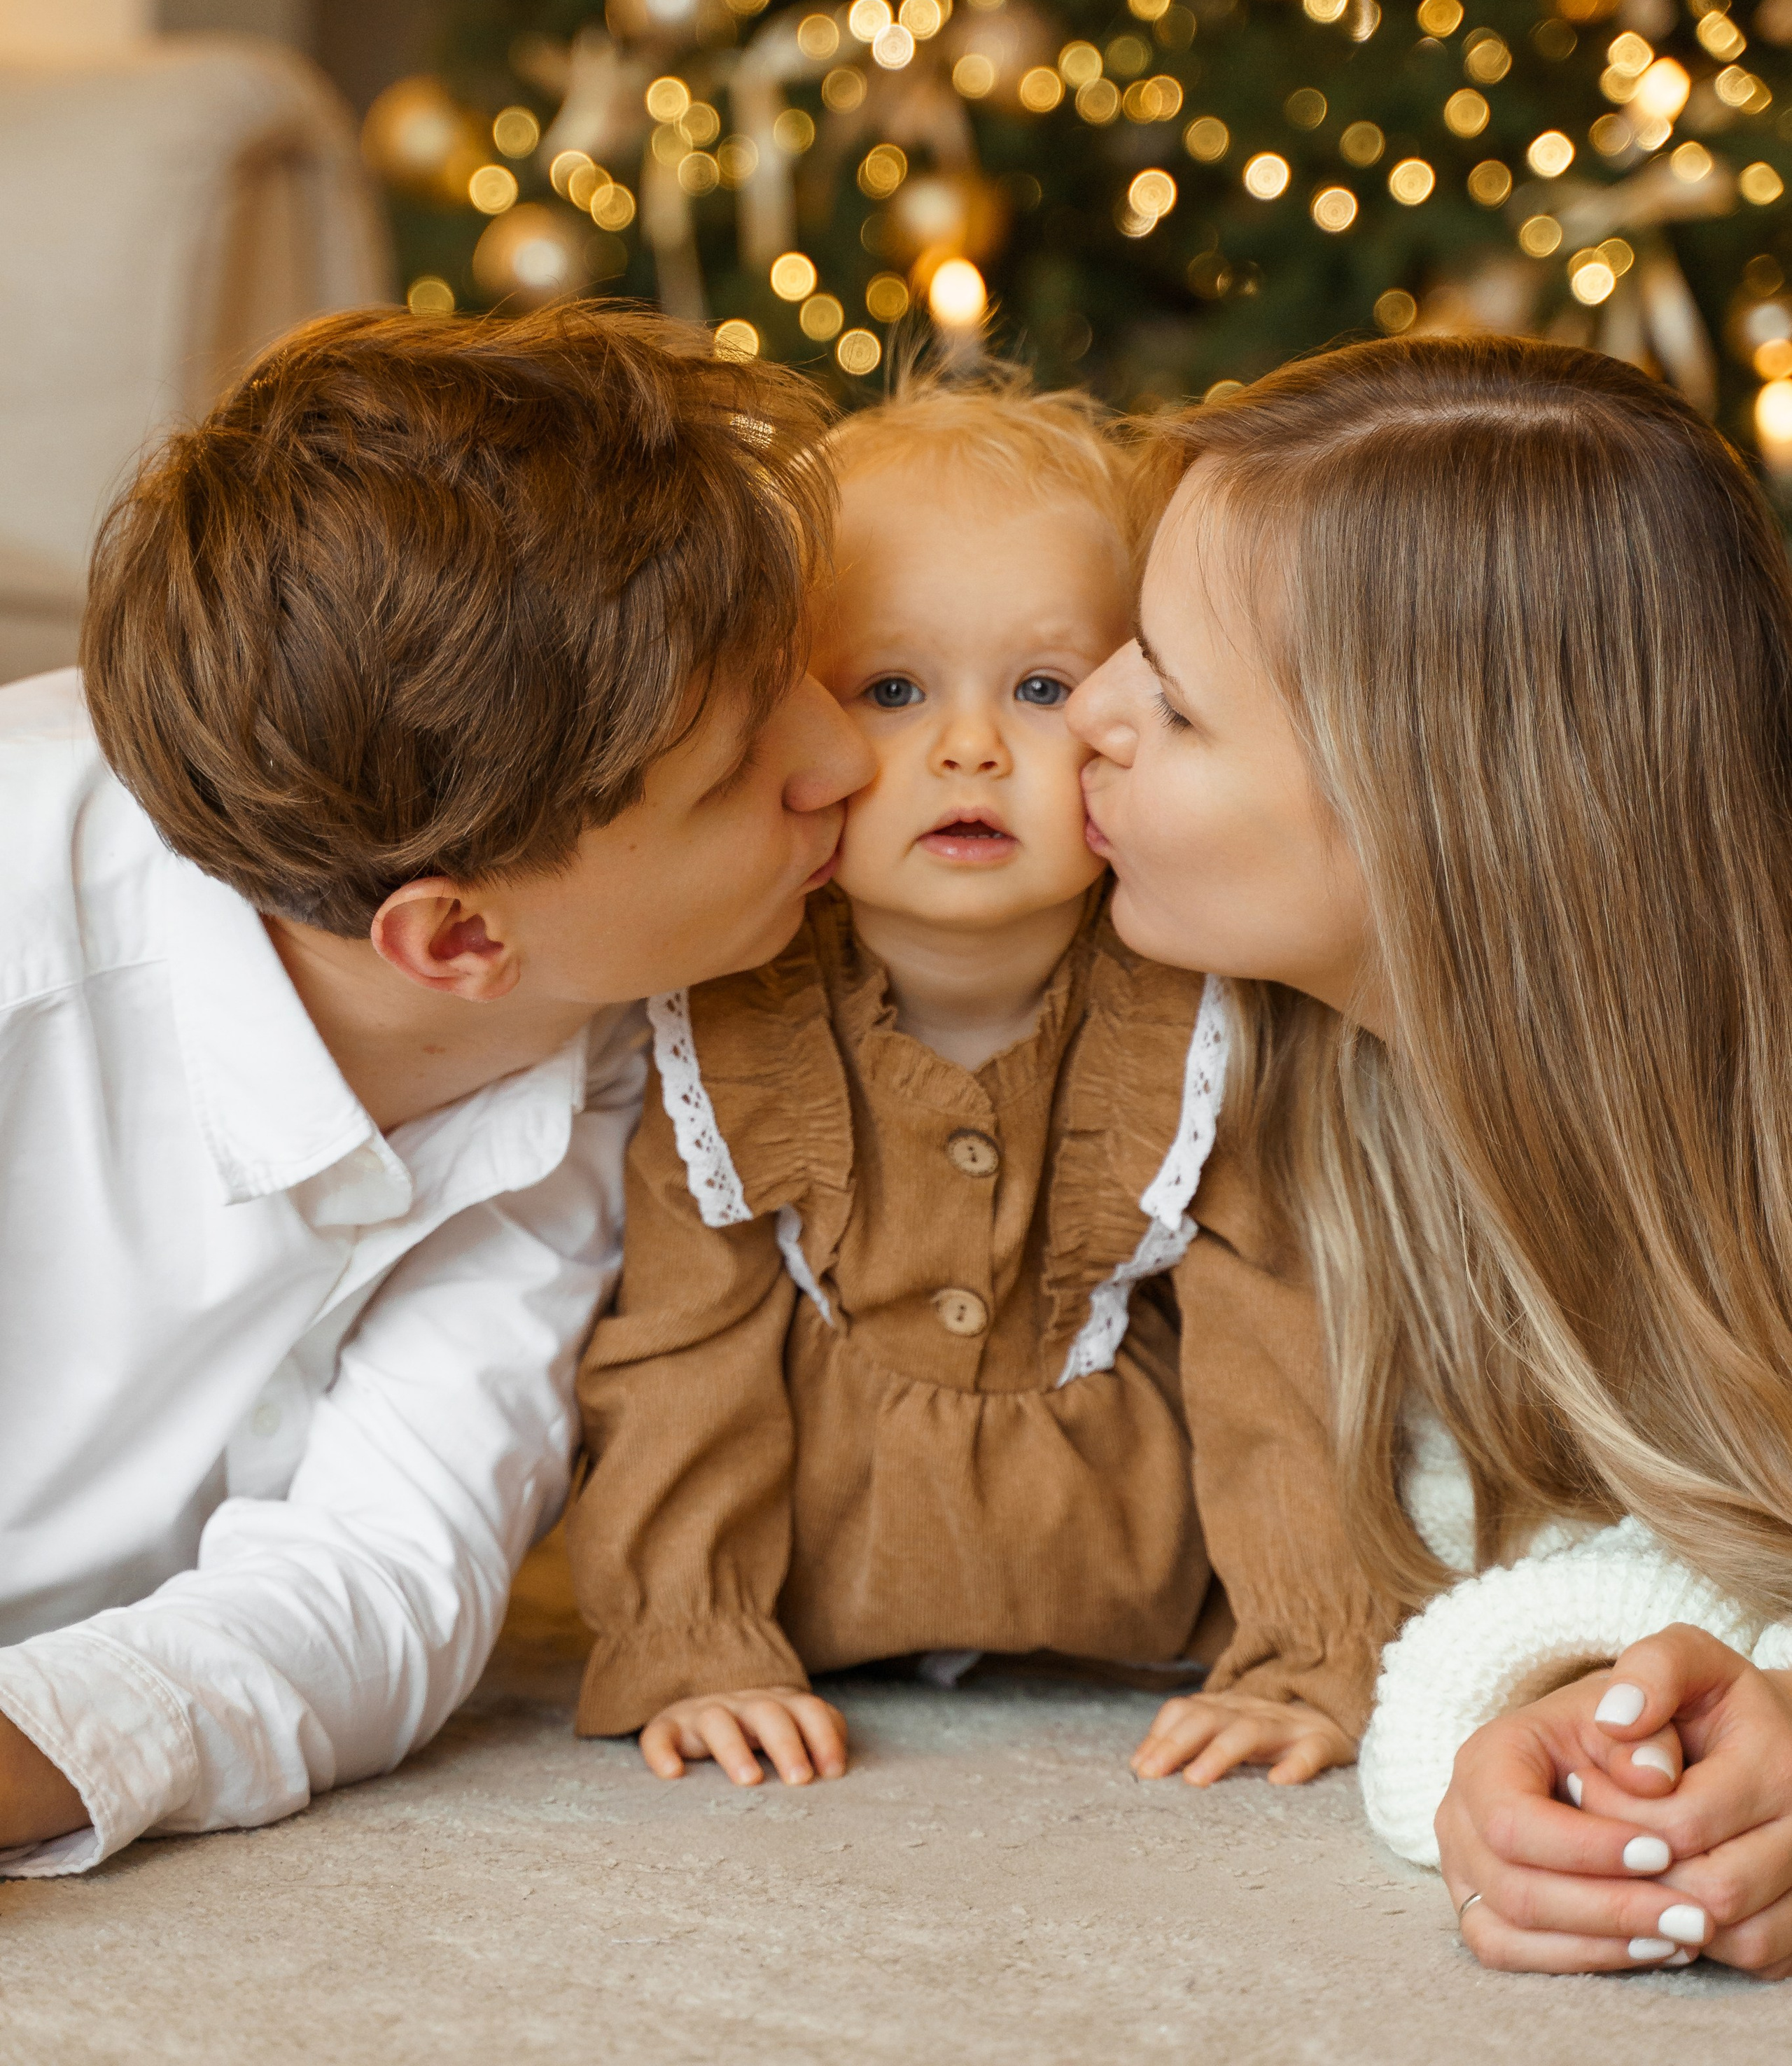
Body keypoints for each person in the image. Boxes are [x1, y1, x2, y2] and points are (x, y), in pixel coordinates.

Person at [0, 301, 866, 1876]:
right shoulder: (27, 929)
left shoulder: (612, 1016)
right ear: (456, 932)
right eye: (746, 761)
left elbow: (387, 1576)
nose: (843, 758)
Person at [1068, 332, 1792, 1979]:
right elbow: (1500, 1536)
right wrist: (1555, 1720)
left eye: (1171, 704)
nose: (1087, 709)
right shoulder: (1313, 1089)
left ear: (1429, 814)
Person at [567, 375, 1393, 1790]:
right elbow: (680, 1350)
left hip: (1143, 1599)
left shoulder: (1201, 1009)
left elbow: (1279, 1355)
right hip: (815, 1599)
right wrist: (693, 1636)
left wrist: (1313, 1651)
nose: (967, 747)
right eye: (890, 690)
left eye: (1039, 688)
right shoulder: (729, 1015)